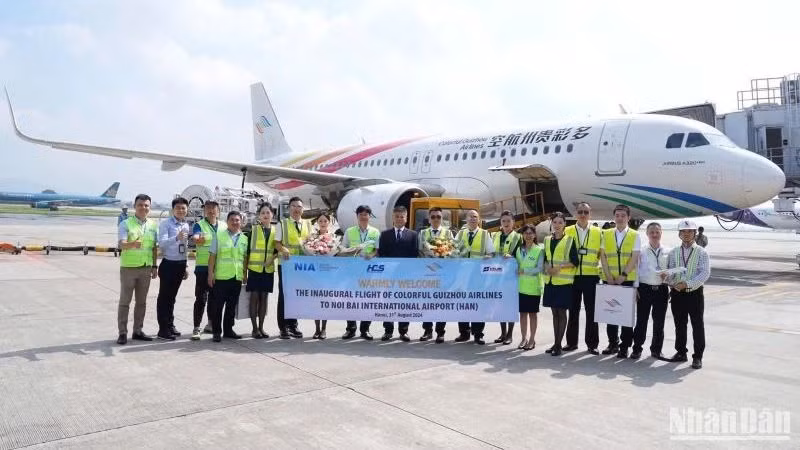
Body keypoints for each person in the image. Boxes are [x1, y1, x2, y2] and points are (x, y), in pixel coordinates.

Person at [663, 220, 710, 369]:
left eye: (690, 231)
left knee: (697, 325)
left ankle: (698, 357)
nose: (686, 234)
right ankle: (681, 352)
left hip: (694, 294)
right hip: (677, 294)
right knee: (679, 324)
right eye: (683, 231)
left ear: (694, 233)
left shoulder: (701, 252)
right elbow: (670, 271)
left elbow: (704, 273)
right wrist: (668, 280)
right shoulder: (673, 252)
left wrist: (687, 284)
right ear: (679, 234)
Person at [599, 204, 641, 358]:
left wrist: (624, 274)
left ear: (628, 218)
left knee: (625, 316)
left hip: (627, 279)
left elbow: (634, 257)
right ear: (614, 217)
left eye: (623, 215)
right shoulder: (606, 233)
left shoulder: (635, 235)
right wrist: (608, 275)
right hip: (609, 279)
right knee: (611, 313)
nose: (620, 218)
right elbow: (603, 256)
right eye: (617, 215)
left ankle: (625, 346)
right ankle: (613, 343)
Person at [116, 194, 157, 345]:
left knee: (141, 302)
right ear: (135, 206)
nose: (143, 208)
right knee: (125, 302)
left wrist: (154, 266)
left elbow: (154, 247)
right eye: (140, 205)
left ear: (149, 207)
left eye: (146, 205)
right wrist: (132, 244)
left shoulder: (153, 225)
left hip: (145, 268)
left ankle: (137, 331)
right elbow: (121, 244)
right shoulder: (126, 224)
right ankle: (122, 332)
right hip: (129, 268)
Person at [564, 202, 603, 354]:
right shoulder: (567, 230)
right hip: (572, 276)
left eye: (586, 212)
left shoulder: (597, 232)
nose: (582, 215)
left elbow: (600, 254)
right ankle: (571, 343)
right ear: (575, 214)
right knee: (572, 311)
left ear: (590, 214)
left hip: (590, 277)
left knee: (592, 311)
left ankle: (592, 344)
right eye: (580, 212)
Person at [454, 209, 494, 344]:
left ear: (479, 219)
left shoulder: (485, 234)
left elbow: (491, 252)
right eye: (470, 216)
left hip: (478, 275)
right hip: (463, 275)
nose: (473, 219)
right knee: (463, 304)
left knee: (478, 304)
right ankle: (464, 333)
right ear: (466, 219)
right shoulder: (460, 234)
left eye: (475, 217)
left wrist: (488, 257)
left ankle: (478, 334)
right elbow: (453, 250)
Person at [378, 205, 419, 342]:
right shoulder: (385, 235)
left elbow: (414, 255)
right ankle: (388, 331)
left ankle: (403, 331)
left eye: (402, 216)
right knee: (388, 303)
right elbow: (382, 254)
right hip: (388, 275)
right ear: (393, 218)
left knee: (404, 303)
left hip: (405, 276)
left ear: (406, 218)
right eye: (397, 216)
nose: (400, 219)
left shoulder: (413, 235)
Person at [207, 211, 249, 342]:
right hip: (221, 277)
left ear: (241, 222)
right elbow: (212, 256)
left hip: (236, 277)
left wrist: (244, 274)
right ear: (227, 222)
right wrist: (210, 274)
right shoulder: (219, 236)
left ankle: (228, 330)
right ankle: (216, 332)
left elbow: (244, 258)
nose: (235, 222)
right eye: (232, 220)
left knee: (231, 306)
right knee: (218, 306)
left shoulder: (244, 238)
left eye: (237, 220)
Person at [274, 196, 312, 339]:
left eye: (299, 207)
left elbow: (311, 242)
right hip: (286, 265)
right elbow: (276, 243)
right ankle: (283, 327)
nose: (296, 209)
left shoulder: (308, 224)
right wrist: (283, 249)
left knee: (296, 296)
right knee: (284, 296)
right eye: (294, 206)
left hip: (301, 266)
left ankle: (293, 325)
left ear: (303, 209)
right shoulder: (282, 224)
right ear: (289, 208)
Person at [341, 205, 379, 340]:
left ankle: (365, 329)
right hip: (352, 270)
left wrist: (372, 255)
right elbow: (343, 249)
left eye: (366, 214)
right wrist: (350, 252)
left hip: (369, 271)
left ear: (369, 216)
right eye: (361, 214)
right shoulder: (349, 231)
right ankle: (350, 329)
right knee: (351, 299)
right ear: (357, 216)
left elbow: (378, 250)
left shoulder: (375, 232)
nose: (363, 217)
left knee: (367, 300)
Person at [632, 222, 670, 359]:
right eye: (652, 232)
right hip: (644, 289)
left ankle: (656, 350)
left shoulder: (668, 251)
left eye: (657, 232)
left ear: (661, 233)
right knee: (641, 321)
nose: (654, 234)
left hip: (661, 289)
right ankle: (637, 348)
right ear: (647, 234)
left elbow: (671, 270)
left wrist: (668, 278)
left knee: (659, 322)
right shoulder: (641, 250)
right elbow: (635, 269)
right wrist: (635, 287)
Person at [155, 197, 191, 341]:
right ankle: (163, 329)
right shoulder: (166, 224)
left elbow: (185, 247)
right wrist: (176, 237)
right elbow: (162, 244)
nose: (181, 210)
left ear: (187, 210)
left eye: (183, 208)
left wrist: (186, 265)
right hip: (168, 264)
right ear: (173, 210)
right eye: (178, 208)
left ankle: (170, 325)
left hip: (180, 264)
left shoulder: (186, 225)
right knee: (164, 298)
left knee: (172, 298)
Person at [542, 212, 578, 356]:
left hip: (563, 283)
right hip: (550, 281)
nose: (557, 225)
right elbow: (545, 258)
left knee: (561, 313)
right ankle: (556, 342)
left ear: (564, 225)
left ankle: (558, 345)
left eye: (560, 222)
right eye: (555, 222)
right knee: (554, 314)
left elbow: (574, 261)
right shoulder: (547, 240)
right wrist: (547, 268)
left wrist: (559, 267)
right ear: (551, 223)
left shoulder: (569, 240)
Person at [418, 207, 455, 343]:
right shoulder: (422, 233)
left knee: (441, 303)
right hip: (427, 273)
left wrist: (442, 261)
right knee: (427, 303)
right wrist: (428, 265)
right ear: (429, 219)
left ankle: (440, 332)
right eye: (433, 217)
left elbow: (452, 251)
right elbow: (419, 252)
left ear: (442, 218)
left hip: (442, 274)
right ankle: (427, 331)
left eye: (438, 217)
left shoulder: (448, 233)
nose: (436, 219)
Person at [302, 211, 341, 339]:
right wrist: (314, 252)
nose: (323, 223)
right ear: (317, 223)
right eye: (320, 221)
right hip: (315, 274)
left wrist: (328, 253)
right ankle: (317, 329)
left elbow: (336, 254)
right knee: (315, 301)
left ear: (329, 222)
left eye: (325, 221)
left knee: (325, 301)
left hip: (327, 274)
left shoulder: (334, 238)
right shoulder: (312, 237)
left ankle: (324, 329)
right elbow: (307, 251)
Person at [191, 201, 224, 340]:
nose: (211, 211)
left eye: (213, 208)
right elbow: (196, 238)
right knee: (201, 298)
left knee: (215, 298)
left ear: (218, 210)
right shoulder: (199, 225)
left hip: (219, 267)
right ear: (204, 211)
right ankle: (196, 327)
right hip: (203, 267)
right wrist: (198, 239)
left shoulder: (223, 226)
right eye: (208, 208)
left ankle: (211, 324)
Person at [245, 203, 277, 339]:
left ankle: (261, 327)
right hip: (254, 269)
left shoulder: (276, 231)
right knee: (254, 298)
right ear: (259, 215)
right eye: (263, 213)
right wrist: (244, 273)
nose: (265, 215)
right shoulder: (254, 230)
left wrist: (272, 258)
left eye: (268, 212)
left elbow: (278, 249)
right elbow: (247, 252)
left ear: (272, 215)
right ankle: (254, 328)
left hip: (268, 270)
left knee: (264, 299)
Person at [492, 210, 521, 345]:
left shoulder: (518, 237)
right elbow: (492, 252)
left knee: (510, 305)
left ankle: (510, 334)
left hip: (510, 276)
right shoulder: (495, 235)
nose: (506, 223)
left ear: (513, 222)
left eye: (508, 221)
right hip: (497, 275)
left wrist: (512, 257)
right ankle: (502, 333)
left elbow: (521, 255)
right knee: (499, 305)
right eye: (503, 221)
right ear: (500, 222)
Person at [514, 224, 543, 351]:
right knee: (522, 314)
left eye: (531, 233)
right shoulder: (519, 249)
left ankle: (532, 339)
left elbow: (539, 268)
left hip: (533, 288)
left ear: (535, 235)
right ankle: (523, 338)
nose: (528, 235)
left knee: (532, 314)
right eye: (526, 233)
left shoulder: (539, 250)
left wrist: (524, 271)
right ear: (522, 235)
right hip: (520, 287)